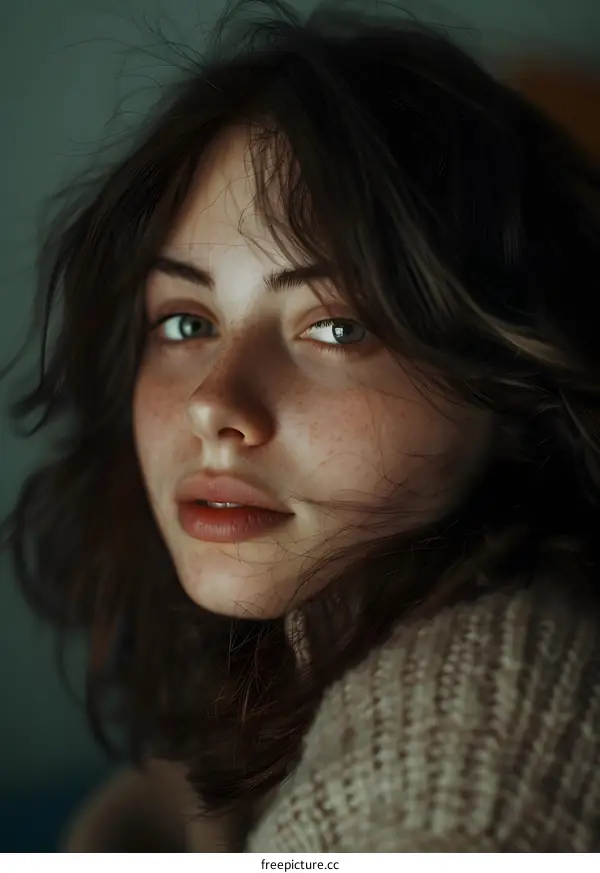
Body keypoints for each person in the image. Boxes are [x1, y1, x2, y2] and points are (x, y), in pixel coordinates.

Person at [2, 0, 600, 853]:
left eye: (340, 327)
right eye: (185, 321)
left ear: (513, 392)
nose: (214, 404)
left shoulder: (480, 753)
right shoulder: (304, 634)